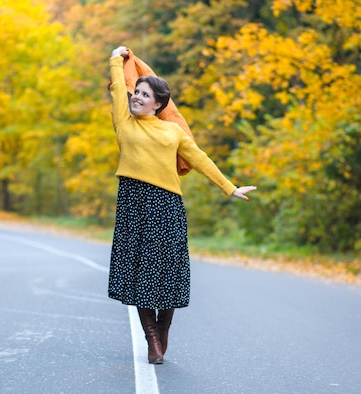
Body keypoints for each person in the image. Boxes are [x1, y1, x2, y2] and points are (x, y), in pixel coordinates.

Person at [107, 46, 257, 364]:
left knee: (168, 272)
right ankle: (152, 340)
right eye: (137, 92)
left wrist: (229, 188)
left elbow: (199, 158)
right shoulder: (123, 122)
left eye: (144, 95)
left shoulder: (173, 130)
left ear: (158, 104)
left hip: (166, 205)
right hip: (133, 204)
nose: (137, 97)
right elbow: (119, 86)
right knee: (140, 274)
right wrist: (115, 60)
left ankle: (163, 329)